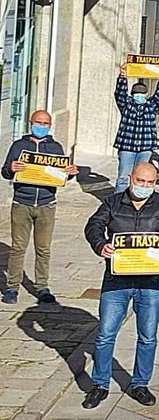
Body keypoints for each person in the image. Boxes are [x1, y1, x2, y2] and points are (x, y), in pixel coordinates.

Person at [82, 162, 159, 409]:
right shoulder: (113, 202)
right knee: (105, 334)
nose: (144, 186)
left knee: (148, 336)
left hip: (150, 281)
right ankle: (100, 385)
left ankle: (140, 384)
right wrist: (100, 245)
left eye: (150, 183)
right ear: (131, 178)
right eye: (140, 181)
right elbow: (93, 226)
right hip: (116, 279)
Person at [2, 111, 79, 304]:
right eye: (38, 122)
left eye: (45, 123)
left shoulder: (55, 147)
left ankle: (42, 287)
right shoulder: (19, 145)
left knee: (43, 248)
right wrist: (12, 169)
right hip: (22, 203)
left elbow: (61, 174)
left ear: (50, 125)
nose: (41, 126)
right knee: (18, 248)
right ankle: (12, 287)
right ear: (31, 122)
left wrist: (69, 173)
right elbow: (5, 171)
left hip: (46, 204)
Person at [113, 66, 159, 194]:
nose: (139, 96)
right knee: (123, 177)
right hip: (127, 147)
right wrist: (122, 76)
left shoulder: (151, 106)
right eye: (137, 94)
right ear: (132, 95)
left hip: (145, 148)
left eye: (142, 94)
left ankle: (137, 199)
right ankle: (119, 203)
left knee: (141, 177)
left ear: (146, 95)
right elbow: (120, 93)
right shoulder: (127, 105)